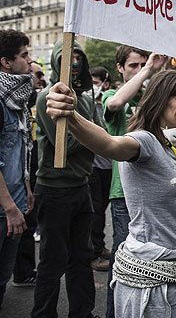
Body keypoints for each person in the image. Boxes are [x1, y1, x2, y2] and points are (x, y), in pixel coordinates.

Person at [45, 69, 176, 318]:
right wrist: (70, 115)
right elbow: (109, 144)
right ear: (160, 100)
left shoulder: (173, 141)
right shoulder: (144, 141)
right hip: (152, 275)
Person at [33, 38, 104, 317]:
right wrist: (91, 133)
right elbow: (69, 143)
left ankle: (82, 313)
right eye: (67, 59)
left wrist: (90, 131)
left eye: (78, 59)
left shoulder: (84, 98)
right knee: (52, 261)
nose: (74, 65)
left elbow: (102, 136)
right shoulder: (48, 97)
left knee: (81, 258)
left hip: (81, 186)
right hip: (54, 190)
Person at [102, 45, 165, 317]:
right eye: (133, 66)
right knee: (123, 261)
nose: (140, 70)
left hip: (154, 190)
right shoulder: (112, 95)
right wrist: (149, 69)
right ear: (119, 68)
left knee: (151, 259)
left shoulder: (149, 98)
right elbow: (115, 104)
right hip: (124, 193)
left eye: (143, 64)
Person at [0, 29, 34, 308]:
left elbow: (20, 151)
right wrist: (10, 207)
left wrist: (27, 188)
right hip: (4, 207)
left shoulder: (18, 100)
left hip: (15, 200)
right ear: (6, 62)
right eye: (24, 55)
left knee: (3, 278)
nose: (30, 61)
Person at [11, 61, 45, 287]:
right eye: (37, 74)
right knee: (22, 222)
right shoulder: (15, 102)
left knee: (29, 222)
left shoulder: (39, 100)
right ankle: (22, 271)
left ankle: (24, 270)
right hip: (20, 171)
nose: (41, 78)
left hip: (33, 169)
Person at [88, 66, 113, 271]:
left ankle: (99, 245)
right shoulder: (87, 105)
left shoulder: (109, 104)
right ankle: (94, 253)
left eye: (96, 83)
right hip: (93, 167)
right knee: (95, 211)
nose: (93, 87)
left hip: (109, 165)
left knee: (102, 208)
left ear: (106, 84)